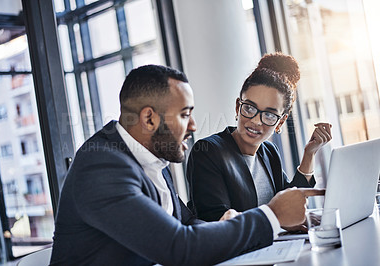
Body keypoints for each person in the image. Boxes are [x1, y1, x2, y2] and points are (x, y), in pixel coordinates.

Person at [49, 64, 324, 266]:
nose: (193, 126)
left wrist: (229, 223)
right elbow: (178, 247)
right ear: (149, 119)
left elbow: (187, 221)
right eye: (185, 115)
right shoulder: (102, 168)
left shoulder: (150, 157)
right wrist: (271, 216)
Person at [187, 52, 332, 223]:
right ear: (237, 107)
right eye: (249, 108)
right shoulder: (208, 152)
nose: (256, 121)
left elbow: (288, 201)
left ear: (281, 122)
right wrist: (276, 220)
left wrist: (310, 153)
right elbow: (217, 222)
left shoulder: (269, 152)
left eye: (269, 115)